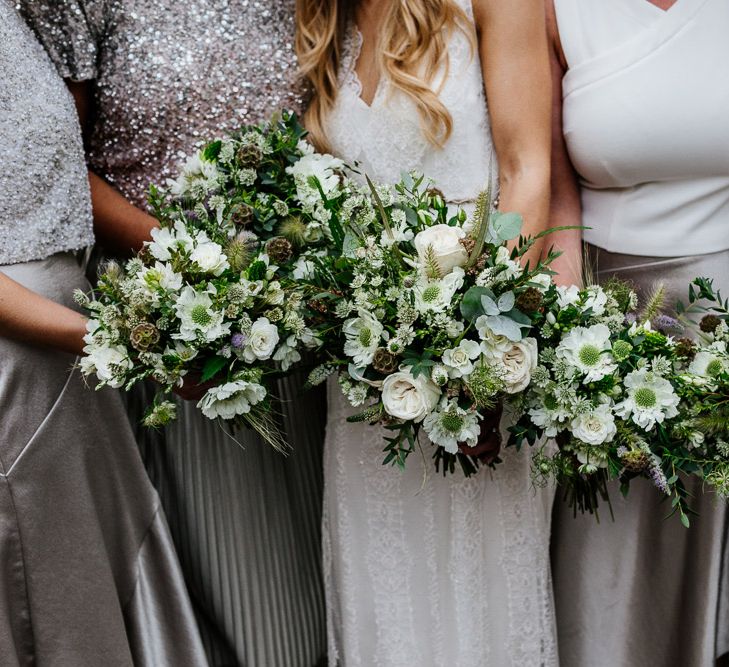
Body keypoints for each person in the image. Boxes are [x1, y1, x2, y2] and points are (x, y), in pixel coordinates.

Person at [19, 2, 327, 665]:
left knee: (302, 572)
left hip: (287, 310)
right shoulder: (84, 7)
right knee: (214, 579)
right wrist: (187, 259)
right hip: (156, 308)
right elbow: (57, 161)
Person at [296, 0, 557, 663]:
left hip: (473, 361)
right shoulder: (327, 19)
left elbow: (526, 174)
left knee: (482, 603)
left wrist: (484, 343)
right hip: (362, 377)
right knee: (382, 603)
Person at [0, 2, 207, 664]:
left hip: (70, 363)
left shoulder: (33, 15)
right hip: (17, 374)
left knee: (99, 588)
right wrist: (120, 343)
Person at [545, 0, 729, 664]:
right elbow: (550, 192)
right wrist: (570, 341)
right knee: (615, 588)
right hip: (612, 332)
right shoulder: (552, 9)